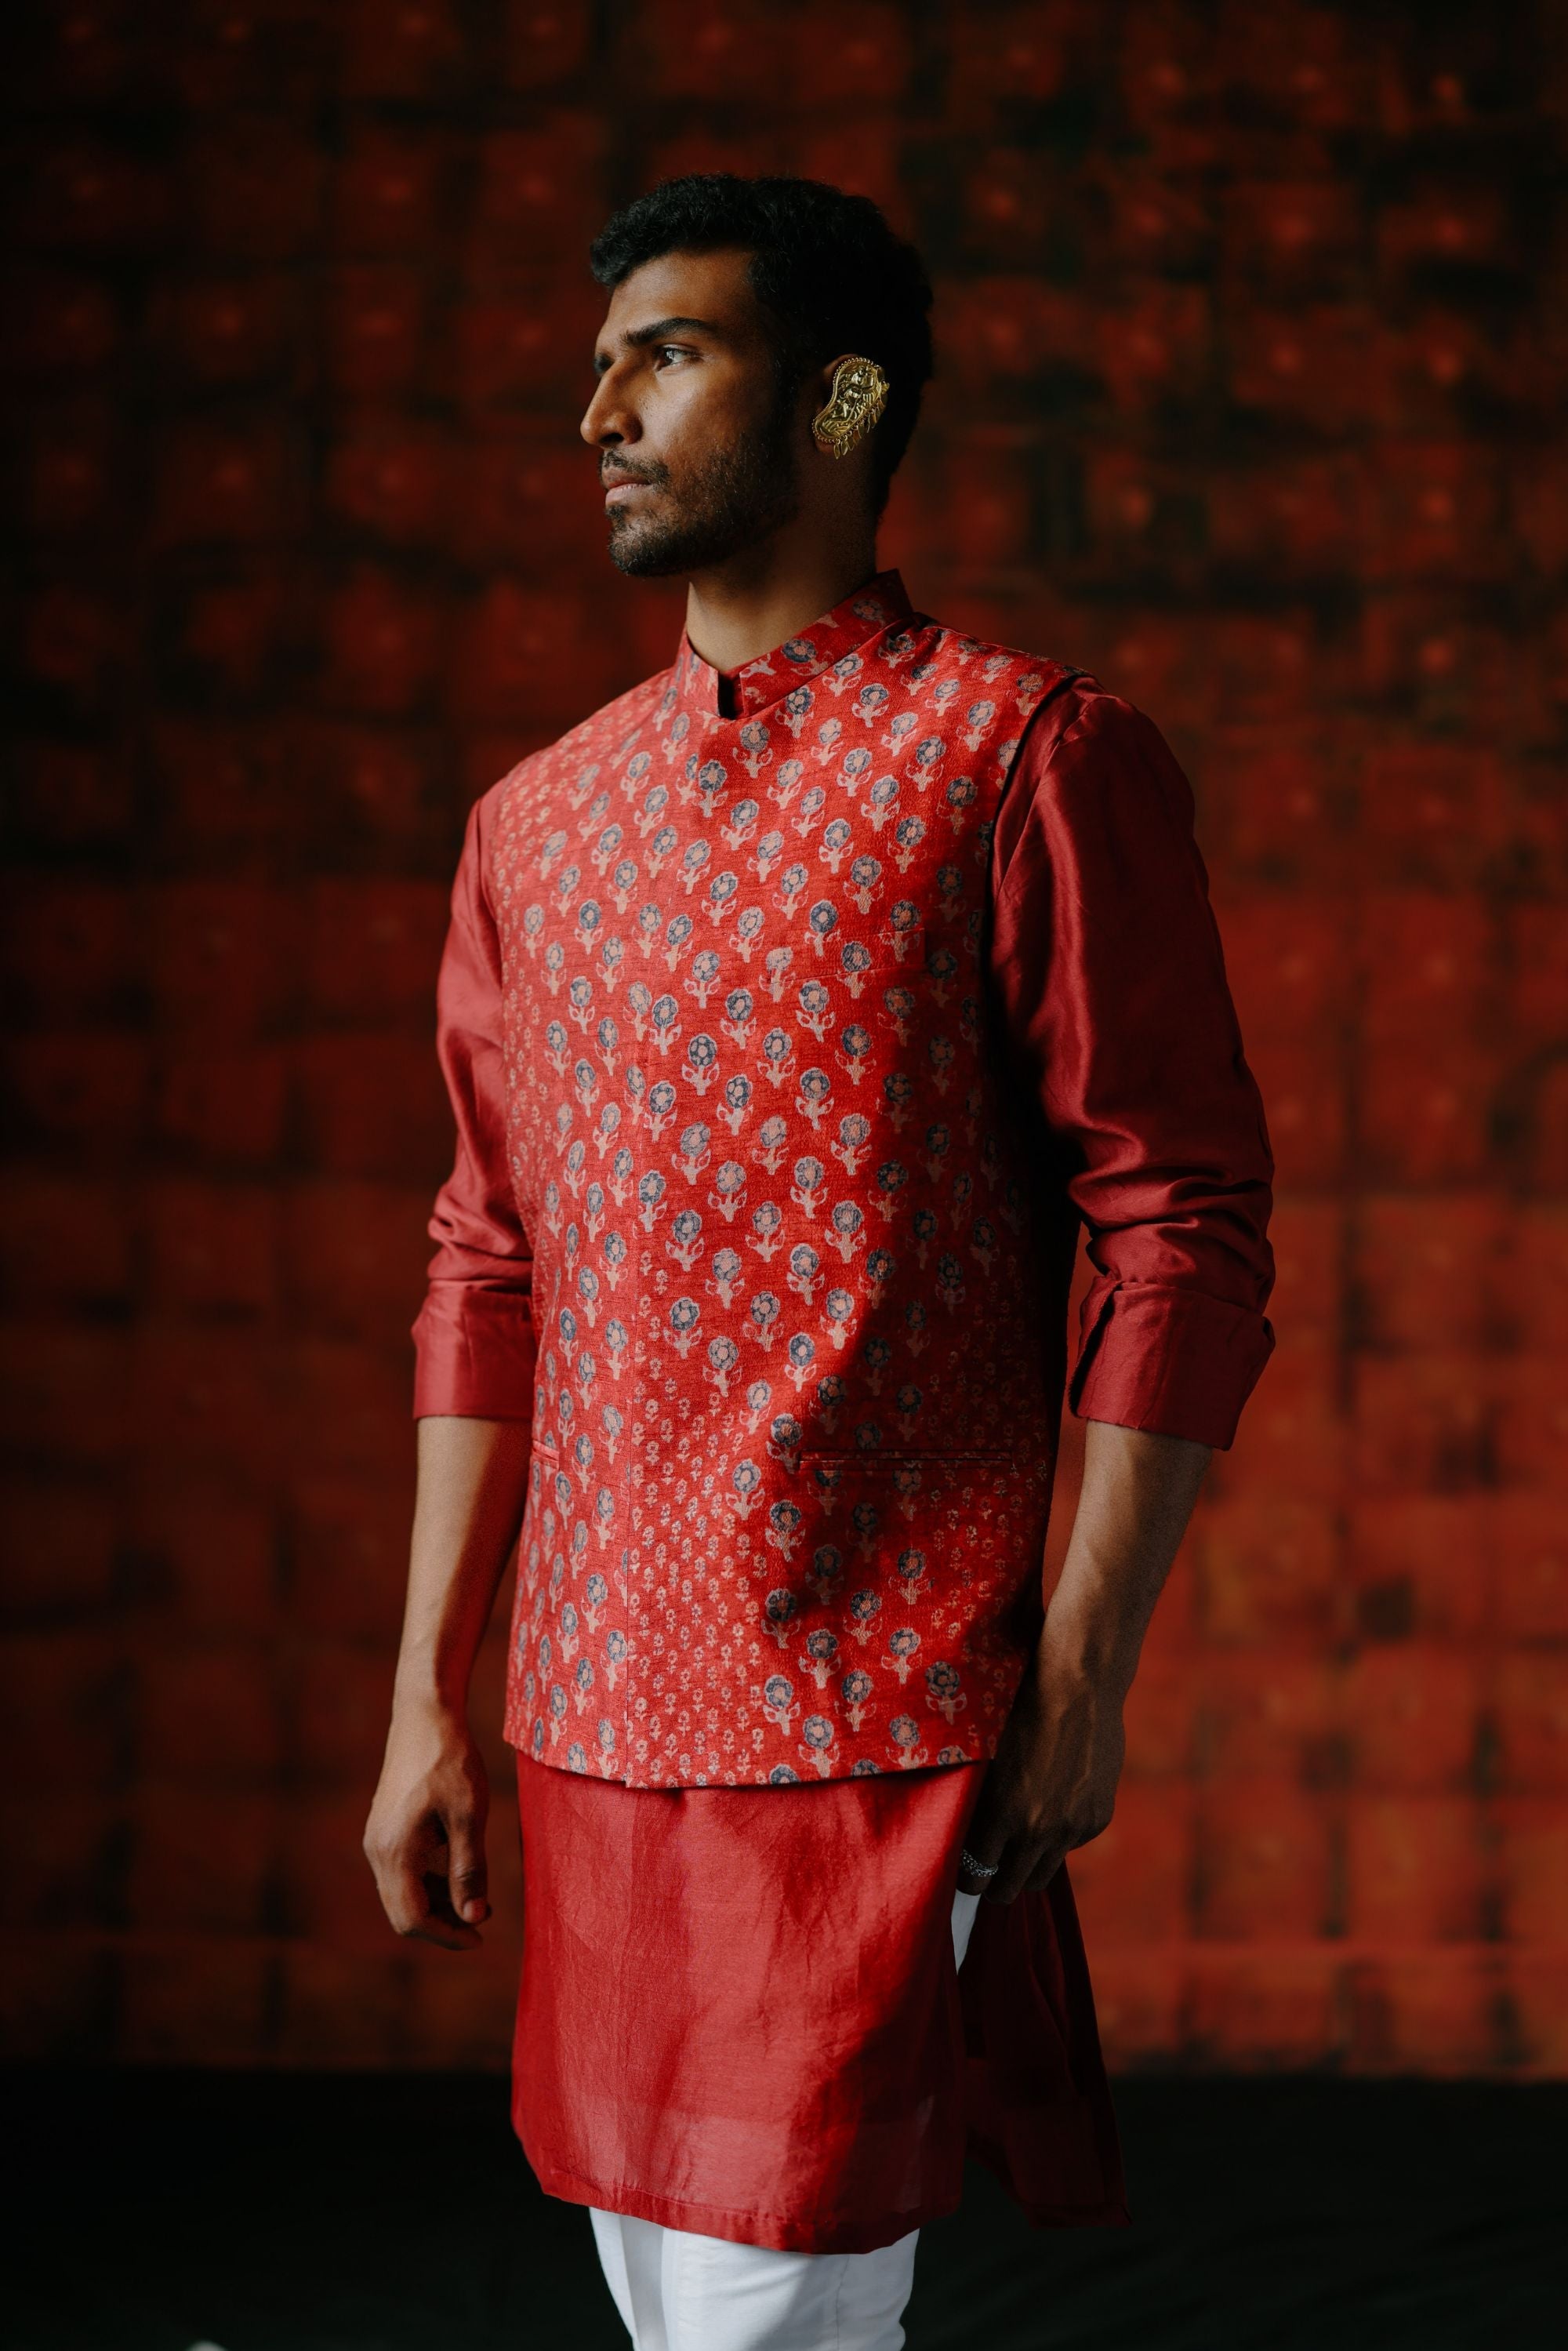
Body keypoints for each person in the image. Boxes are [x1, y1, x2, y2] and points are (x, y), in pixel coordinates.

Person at [364, 172, 1276, 2351]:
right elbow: (486, 1262)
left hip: (878, 1705)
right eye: (601, 365)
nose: (600, 413)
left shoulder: (1022, 757)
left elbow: (1181, 1228)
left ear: (847, 398)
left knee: (774, 2317)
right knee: (669, 2307)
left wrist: (1082, 1675)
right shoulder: (536, 824)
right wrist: (425, 1703)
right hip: (589, 1709)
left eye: (666, 356)